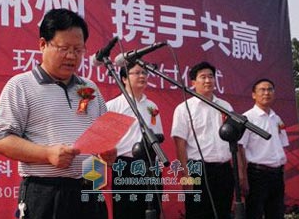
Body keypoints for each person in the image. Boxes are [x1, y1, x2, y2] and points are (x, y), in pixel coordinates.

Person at [0, 8, 116, 219]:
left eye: (78, 49)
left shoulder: (90, 88)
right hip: (46, 194)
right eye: (64, 48)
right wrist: (47, 154)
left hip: (89, 191)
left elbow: (102, 141)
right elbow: (1, 141)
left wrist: (107, 156)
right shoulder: (21, 85)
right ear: (42, 44)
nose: (71, 56)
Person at [170, 61, 234, 219]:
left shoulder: (225, 106)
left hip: (224, 170)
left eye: (211, 77)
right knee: (198, 213)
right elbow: (180, 145)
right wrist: (185, 175)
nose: (208, 80)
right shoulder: (184, 108)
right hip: (197, 170)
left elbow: (235, 141)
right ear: (193, 83)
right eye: (203, 77)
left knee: (223, 212)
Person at [106, 62, 164, 219]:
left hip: (151, 167)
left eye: (145, 73)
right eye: (137, 73)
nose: (142, 76)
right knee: (127, 212)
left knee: (153, 212)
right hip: (125, 166)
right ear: (124, 78)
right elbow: (105, 142)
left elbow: (158, 137)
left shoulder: (152, 106)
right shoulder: (113, 106)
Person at [238, 78, 289, 219]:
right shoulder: (247, 118)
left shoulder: (276, 118)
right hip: (257, 175)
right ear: (254, 94)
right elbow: (240, 147)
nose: (266, 93)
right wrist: (243, 176)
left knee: (276, 214)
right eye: (262, 90)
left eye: (270, 89)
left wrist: (282, 171)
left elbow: (282, 145)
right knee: (254, 214)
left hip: (277, 175)